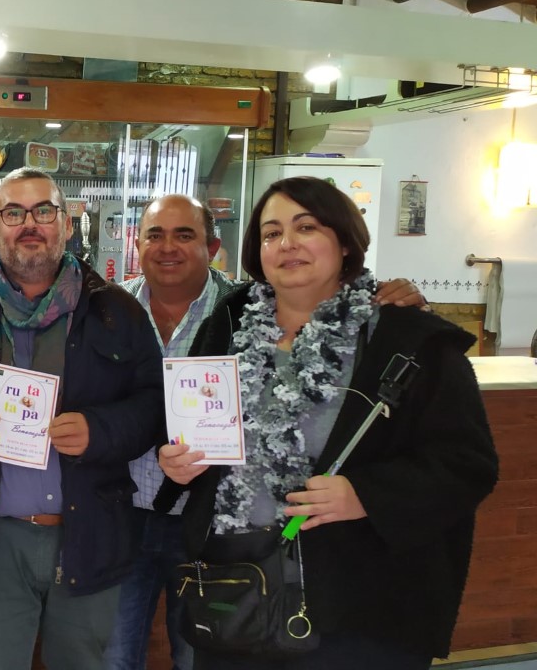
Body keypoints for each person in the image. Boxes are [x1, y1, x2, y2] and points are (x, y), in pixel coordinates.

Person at [157, 177, 498, 669]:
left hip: (360, 608)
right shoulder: (226, 326)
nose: (287, 243)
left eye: (306, 227)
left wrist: (367, 495)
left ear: (345, 242)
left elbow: (468, 463)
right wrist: (178, 462)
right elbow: (194, 432)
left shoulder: (408, 339)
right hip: (238, 592)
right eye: (272, 233)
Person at [107, 194, 428, 670]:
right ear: (137, 244)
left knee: (197, 651)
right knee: (115, 654)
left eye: (185, 234)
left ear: (212, 246)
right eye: (155, 234)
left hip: (219, 530)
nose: (167, 247)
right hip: (128, 510)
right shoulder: (110, 307)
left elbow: (452, 459)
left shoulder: (235, 309)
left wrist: (402, 301)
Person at [0, 166, 164, 670]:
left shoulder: (116, 312)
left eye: (43, 211)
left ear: (67, 224)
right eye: (14, 213)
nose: (29, 224)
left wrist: (99, 431)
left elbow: (153, 406)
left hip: (87, 535)